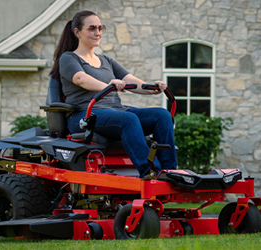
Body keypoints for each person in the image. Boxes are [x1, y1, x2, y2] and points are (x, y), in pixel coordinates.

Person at [50, 10, 177, 178]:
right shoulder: (69, 58)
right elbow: (81, 79)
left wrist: (153, 88)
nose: (97, 33)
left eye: (100, 28)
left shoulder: (106, 60)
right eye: (92, 28)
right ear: (77, 32)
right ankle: (152, 172)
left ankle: (170, 172)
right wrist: (108, 85)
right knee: (128, 119)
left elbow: (130, 80)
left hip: (115, 111)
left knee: (161, 115)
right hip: (83, 116)